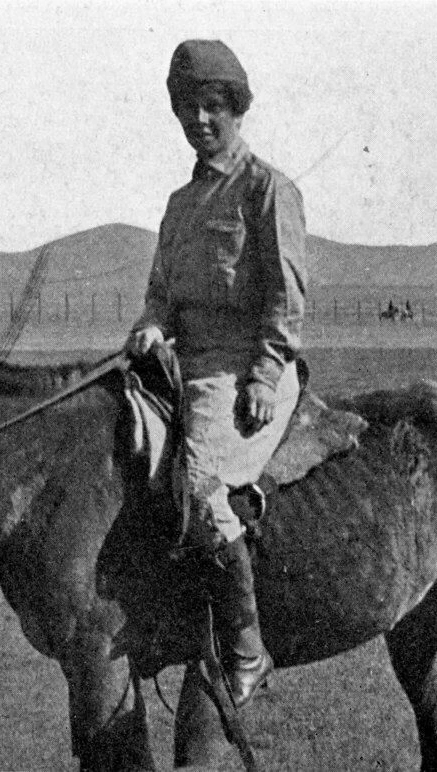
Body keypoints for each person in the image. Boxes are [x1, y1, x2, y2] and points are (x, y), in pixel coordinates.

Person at [126, 39, 308, 707]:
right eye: (187, 109)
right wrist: (151, 323)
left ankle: (246, 650)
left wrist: (264, 375)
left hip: (243, 368)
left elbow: (286, 299)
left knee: (203, 489)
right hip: (182, 364)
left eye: (213, 106)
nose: (200, 119)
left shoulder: (267, 189)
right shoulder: (179, 204)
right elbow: (161, 293)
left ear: (236, 108)